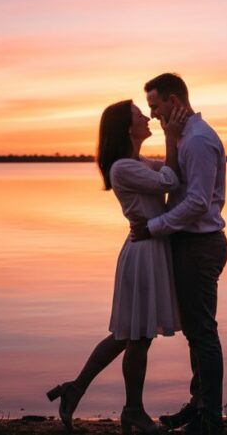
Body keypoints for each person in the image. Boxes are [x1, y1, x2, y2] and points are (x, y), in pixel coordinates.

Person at [47, 99, 188, 434]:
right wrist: (171, 136)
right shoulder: (123, 167)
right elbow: (170, 181)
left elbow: (169, 171)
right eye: (140, 115)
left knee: (127, 334)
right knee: (136, 336)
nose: (146, 117)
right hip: (143, 254)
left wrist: (178, 141)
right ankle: (132, 411)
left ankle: (76, 388)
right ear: (128, 128)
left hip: (148, 248)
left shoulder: (135, 162)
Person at [131, 73, 227, 435]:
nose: (153, 113)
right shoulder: (184, 139)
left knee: (203, 332)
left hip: (200, 245)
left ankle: (211, 420)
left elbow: (198, 203)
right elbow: (171, 179)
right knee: (196, 332)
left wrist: (153, 228)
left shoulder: (199, 141)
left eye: (155, 106)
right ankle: (199, 405)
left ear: (173, 102)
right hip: (188, 244)